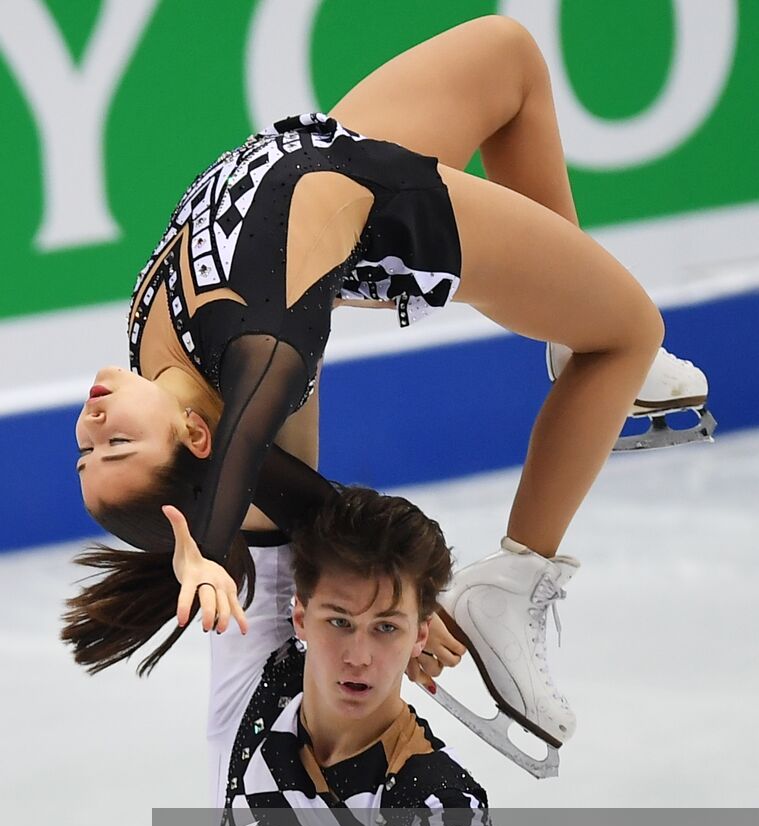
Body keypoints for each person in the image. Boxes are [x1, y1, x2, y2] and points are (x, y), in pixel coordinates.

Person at [63, 15, 708, 753]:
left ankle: (570, 328)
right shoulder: (260, 355)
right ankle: (515, 578)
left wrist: (206, 537)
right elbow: (244, 454)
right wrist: (207, 551)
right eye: (116, 444)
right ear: (195, 434)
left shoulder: (155, 360)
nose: (91, 424)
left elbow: (277, 484)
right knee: (630, 333)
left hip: (325, 152)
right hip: (387, 210)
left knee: (509, 56)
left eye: (87, 451)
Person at [184, 486, 581, 826]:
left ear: (421, 634)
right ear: (300, 615)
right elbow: (260, 460)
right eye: (340, 622)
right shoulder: (253, 692)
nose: (359, 655)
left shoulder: (427, 795)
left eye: (386, 628)